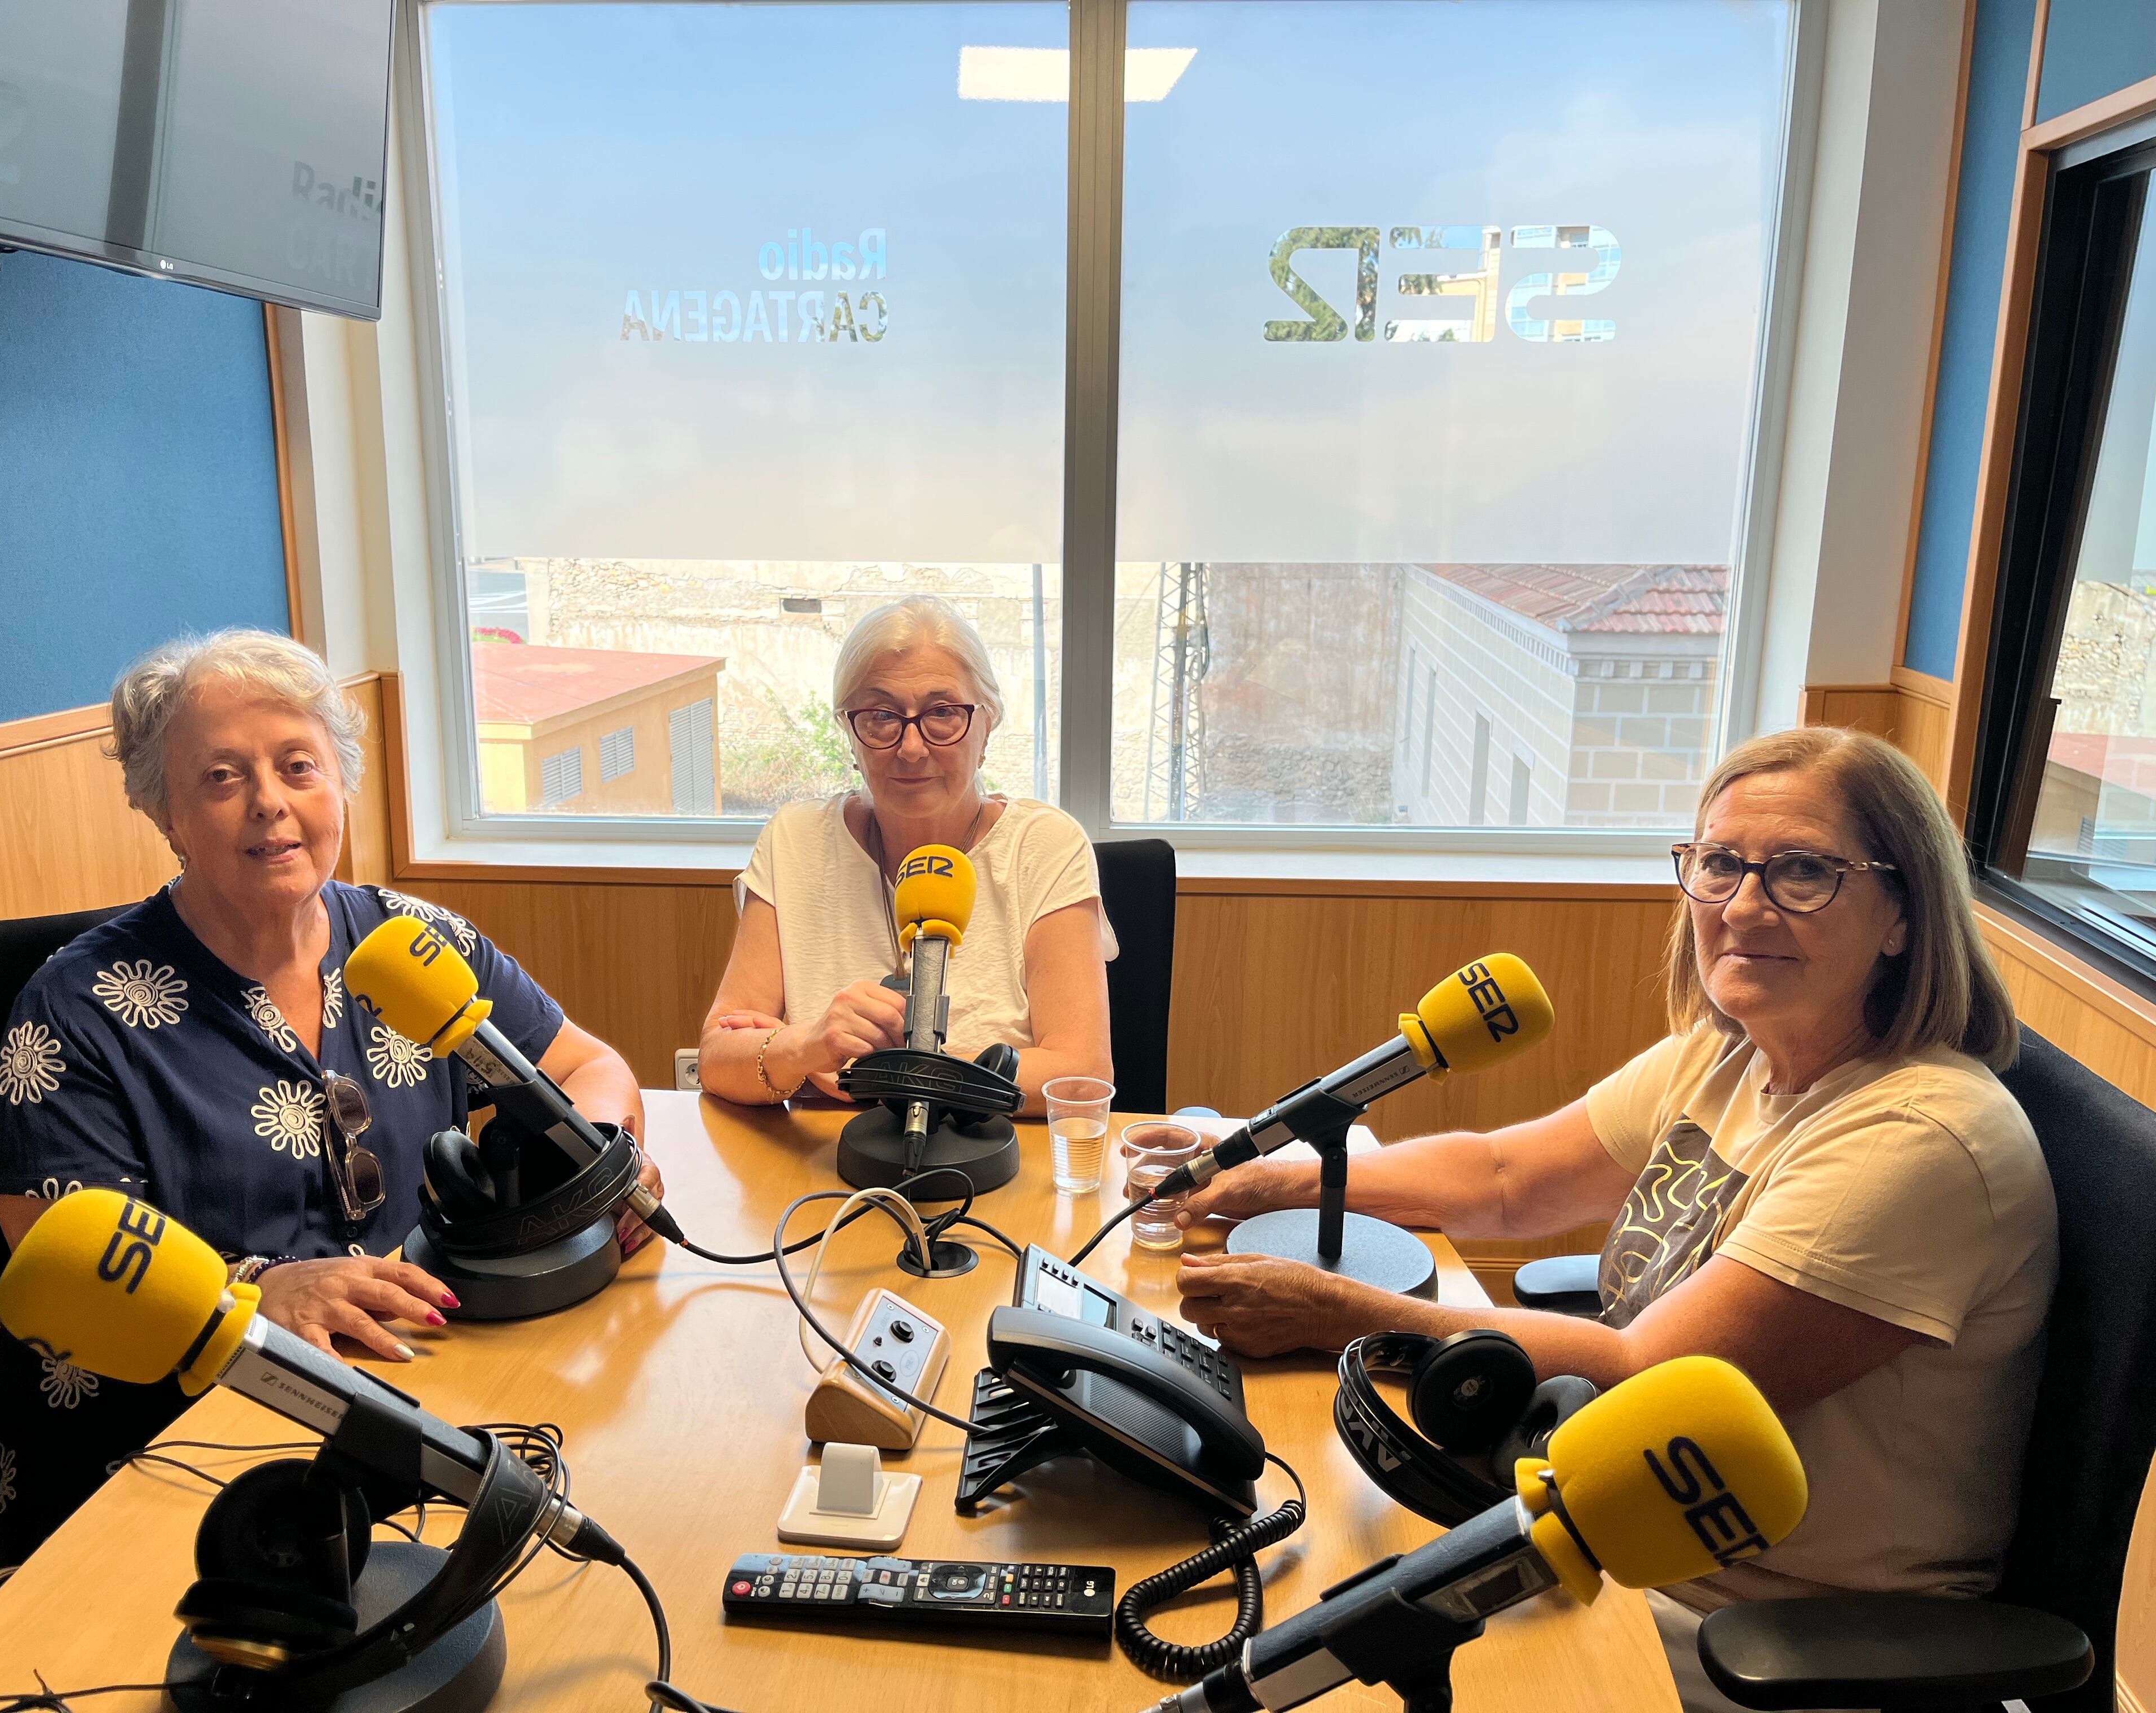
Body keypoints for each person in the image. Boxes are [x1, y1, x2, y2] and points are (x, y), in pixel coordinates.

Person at [1169, 726, 2056, 1713]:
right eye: (1719, 863)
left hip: (1762, 1624)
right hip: (1613, 1522)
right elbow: (1506, 1177)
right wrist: (1269, 1181)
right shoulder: (1729, 1053)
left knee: (1315, 1644)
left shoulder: (1920, 1138)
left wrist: (1335, 1312)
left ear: (1902, 914)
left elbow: (1646, 1372)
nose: (1743, 904)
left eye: (1803, 871)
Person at [0, 629, 660, 1576]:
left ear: (340, 783)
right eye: (222, 777)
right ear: (165, 811)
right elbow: (72, 1271)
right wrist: (251, 1293)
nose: (270, 802)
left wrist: (593, 1159)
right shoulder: (79, 1009)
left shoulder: (414, 942)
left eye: (299, 765)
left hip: (400, 1398)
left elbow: (585, 1064)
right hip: (160, 1459)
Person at [701, 594, 1114, 1113]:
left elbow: (1080, 1077)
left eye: (943, 713)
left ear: (987, 725)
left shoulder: (1045, 846)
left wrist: (882, 1073)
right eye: (880, 716)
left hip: (992, 1154)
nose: (912, 748)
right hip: (824, 1154)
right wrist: (808, 1045)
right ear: (850, 733)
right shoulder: (795, 840)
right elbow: (718, 1057)